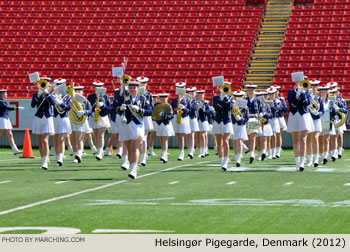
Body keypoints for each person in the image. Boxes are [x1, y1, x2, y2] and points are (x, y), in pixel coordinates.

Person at [114, 79, 152, 179]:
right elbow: (114, 109)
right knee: (129, 149)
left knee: (134, 147)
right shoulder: (124, 98)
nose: (132, 90)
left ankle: (134, 169)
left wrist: (140, 110)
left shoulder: (143, 99)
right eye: (130, 88)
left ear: (138, 89)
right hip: (125, 125)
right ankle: (132, 167)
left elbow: (150, 111)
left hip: (137, 125)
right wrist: (119, 109)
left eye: (134, 88)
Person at [31, 76, 57, 170]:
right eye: (42, 82)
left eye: (45, 83)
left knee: (45, 140)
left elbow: (54, 103)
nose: (43, 84)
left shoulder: (51, 94)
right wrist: (38, 96)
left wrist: (47, 94)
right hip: (38, 118)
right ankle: (43, 160)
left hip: (48, 118)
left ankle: (45, 162)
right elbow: (33, 105)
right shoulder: (36, 94)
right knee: (40, 142)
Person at [287, 77, 313, 171]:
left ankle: (302, 162)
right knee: (295, 140)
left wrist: (303, 93)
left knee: (303, 139)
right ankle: (297, 162)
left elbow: (308, 103)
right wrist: (297, 95)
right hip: (294, 115)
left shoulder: (308, 92)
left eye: (302, 81)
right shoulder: (291, 92)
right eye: (298, 81)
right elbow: (292, 104)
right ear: (295, 82)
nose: (300, 83)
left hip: (304, 115)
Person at [212, 83, 234, 171]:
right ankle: (221, 160)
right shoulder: (215, 97)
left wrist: (226, 99)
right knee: (219, 142)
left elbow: (230, 107)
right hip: (218, 121)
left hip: (227, 121)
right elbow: (217, 108)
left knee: (225, 140)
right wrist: (222, 102)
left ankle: (225, 161)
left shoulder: (231, 98)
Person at [87, 81, 111, 161]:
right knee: (96, 135)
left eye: (100, 87)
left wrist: (103, 106)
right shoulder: (90, 97)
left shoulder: (106, 97)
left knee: (101, 135)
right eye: (96, 87)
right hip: (94, 116)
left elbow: (109, 109)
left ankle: (100, 153)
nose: (98, 88)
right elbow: (89, 107)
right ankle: (98, 151)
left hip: (103, 117)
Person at [69, 84, 92, 163]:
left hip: (81, 121)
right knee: (73, 138)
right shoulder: (71, 100)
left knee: (79, 138)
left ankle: (79, 155)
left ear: (82, 92)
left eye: (79, 91)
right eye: (76, 91)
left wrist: (84, 112)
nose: (78, 92)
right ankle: (76, 154)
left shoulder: (85, 101)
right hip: (73, 120)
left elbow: (90, 110)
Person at [52, 78, 72, 166]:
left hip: (64, 118)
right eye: (58, 84)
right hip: (55, 118)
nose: (59, 86)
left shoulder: (67, 96)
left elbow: (68, 108)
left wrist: (61, 103)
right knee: (55, 140)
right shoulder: (53, 95)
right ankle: (58, 155)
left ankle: (60, 158)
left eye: (61, 84)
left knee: (61, 139)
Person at [170, 82, 191, 161]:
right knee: (178, 135)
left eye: (182, 88)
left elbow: (189, 110)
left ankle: (181, 153)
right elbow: (171, 108)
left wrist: (184, 108)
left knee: (182, 136)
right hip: (176, 118)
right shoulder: (175, 100)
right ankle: (181, 151)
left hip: (184, 118)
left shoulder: (187, 99)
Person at [305, 79, 324, 167]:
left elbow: (322, 111)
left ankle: (316, 160)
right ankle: (310, 160)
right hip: (309, 119)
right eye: (312, 86)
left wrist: (318, 113)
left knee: (315, 138)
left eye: (315, 86)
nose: (313, 88)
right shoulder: (307, 97)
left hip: (316, 120)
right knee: (308, 140)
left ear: (317, 88)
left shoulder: (319, 98)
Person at [136, 76, 154, 166]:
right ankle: (138, 156)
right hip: (136, 116)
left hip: (145, 117)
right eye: (140, 83)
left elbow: (152, 108)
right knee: (138, 138)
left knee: (144, 138)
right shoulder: (135, 94)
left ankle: (143, 158)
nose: (142, 85)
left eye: (143, 83)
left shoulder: (149, 95)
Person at [0, 89, 23, 154]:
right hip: (1, 119)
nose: (6, 94)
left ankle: (15, 149)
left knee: (10, 134)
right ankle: (15, 149)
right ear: (1, 95)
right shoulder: (1, 102)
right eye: (5, 93)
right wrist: (17, 108)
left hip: (5, 119)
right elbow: (7, 107)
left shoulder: (3, 101)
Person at [319, 84, 337, 165]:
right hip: (319, 123)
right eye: (321, 92)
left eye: (324, 92)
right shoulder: (317, 101)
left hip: (328, 123)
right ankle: (322, 156)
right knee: (320, 142)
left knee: (326, 140)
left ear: (327, 93)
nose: (322, 93)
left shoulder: (330, 102)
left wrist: (335, 117)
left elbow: (334, 112)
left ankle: (325, 157)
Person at [155, 92, 174, 163]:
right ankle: (164, 153)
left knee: (165, 139)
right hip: (159, 124)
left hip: (166, 124)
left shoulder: (169, 106)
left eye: (164, 99)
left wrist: (164, 115)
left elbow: (171, 116)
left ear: (167, 99)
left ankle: (164, 155)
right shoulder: (158, 106)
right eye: (161, 99)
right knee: (161, 139)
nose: (163, 100)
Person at [245, 83, 262, 164]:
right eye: (249, 90)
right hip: (247, 119)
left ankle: (252, 154)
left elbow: (261, 110)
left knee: (253, 137)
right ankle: (251, 153)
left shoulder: (258, 100)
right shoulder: (245, 100)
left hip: (254, 119)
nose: (251, 91)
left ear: (254, 91)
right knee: (249, 137)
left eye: (252, 90)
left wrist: (261, 114)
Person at [231, 90, 249, 167]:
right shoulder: (233, 106)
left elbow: (246, 119)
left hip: (241, 125)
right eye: (237, 96)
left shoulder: (245, 107)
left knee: (239, 141)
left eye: (240, 96)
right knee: (235, 142)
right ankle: (236, 157)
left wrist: (241, 119)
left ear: (242, 97)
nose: (238, 98)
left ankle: (238, 159)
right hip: (234, 124)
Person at [273, 84, 287, 158]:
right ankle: (273, 151)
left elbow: (285, 109)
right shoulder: (270, 99)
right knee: (273, 135)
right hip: (273, 118)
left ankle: (278, 151)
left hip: (280, 118)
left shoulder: (281, 99)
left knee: (278, 135)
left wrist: (279, 105)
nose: (275, 93)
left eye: (276, 91)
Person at [196, 88, 211, 158]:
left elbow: (208, 112)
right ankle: (199, 151)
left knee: (203, 135)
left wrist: (203, 110)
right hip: (197, 120)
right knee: (198, 136)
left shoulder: (206, 102)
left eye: (202, 94)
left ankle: (204, 150)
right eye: (199, 94)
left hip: (204, 120)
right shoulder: (195, 102)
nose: (200, 95)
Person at [186, 86, 199, 159]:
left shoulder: (196, 101)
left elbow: (194, 108)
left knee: (192, 134)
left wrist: (187, 107)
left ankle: (191, 151)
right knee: (188, 134)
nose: (191, 94)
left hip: (193, 118)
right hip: (187, 118)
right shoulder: (186, 100)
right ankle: (189, 150)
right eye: (189, 92)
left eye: (192, 92)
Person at [334, 85, 347, 159]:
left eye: (337, 91)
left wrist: (339, 109)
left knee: (340, 135)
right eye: (334, 92)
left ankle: (339, 150)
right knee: (334, 136)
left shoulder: (342, 100)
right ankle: (334, 151)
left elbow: (345, 109)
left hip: (340, 119)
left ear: (339, 92)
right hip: (333, 119)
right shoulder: (330, 100)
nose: (335, 93)